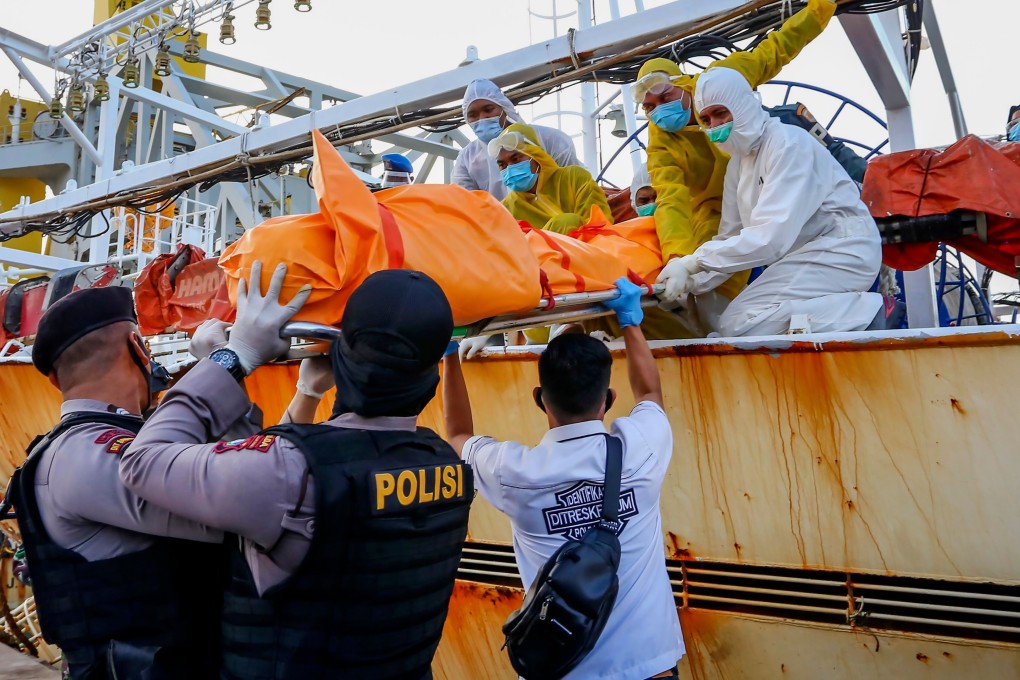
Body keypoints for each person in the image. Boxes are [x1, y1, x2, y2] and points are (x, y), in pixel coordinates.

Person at [119, 264, 474, 680]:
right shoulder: (447, 464)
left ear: (342, 356)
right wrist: (306, 394)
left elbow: (142, 462)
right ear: (428, 376)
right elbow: (308, 468)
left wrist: (230, 359)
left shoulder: (287, 469)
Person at [443, 278, 683, 679]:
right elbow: (650, 395)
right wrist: (631, 321)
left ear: (540, 399)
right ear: (607, 400)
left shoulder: (513, 472)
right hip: (650, 666)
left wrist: (450, 352)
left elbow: (457, 437)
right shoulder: (641, 448)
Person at [2, 286, 224, 679]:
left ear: (54, 380)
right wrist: (223, 366)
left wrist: (306, 394)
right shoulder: (92, 453)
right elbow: (226, 504)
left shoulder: (73, 450)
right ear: (138, 346)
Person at [635, 0, 838, 303]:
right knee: (711, 279)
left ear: (683, 85)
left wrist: (819, 10)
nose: (659, 111)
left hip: (764, 173)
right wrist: (678, 258)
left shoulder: (720, 82)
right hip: (713, 209)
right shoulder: (660, 140)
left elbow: (773, 51)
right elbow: (671, 199)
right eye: (649, 107)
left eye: (665, 98)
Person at [656, 67, 884, 337]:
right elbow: (730, 237)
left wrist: (692, 263)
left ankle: (868, 311)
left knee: (737, 324)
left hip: (843, 250)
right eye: (706, 119)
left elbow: (771, 239)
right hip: (808, 256)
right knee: (735, 327)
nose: (715, 127)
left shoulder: (789, 144)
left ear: (742, 104)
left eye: (721, 113)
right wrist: (687, 283)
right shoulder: (738, 167)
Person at [453, 78, 581, 200]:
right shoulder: (466, 159)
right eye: (473, 115)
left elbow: (575, 186)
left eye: (488, 110)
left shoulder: (551, 139)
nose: (482, 118)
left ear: (504, 108)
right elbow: (465, 205)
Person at [491, 123, 613, 233]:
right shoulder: (505, 210)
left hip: (591, 252)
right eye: (503, 165)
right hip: (541, 258)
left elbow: (599, 224)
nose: (510, 168)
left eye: (516, 159)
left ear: (536, 155)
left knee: (568, 222)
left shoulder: (574, 178)